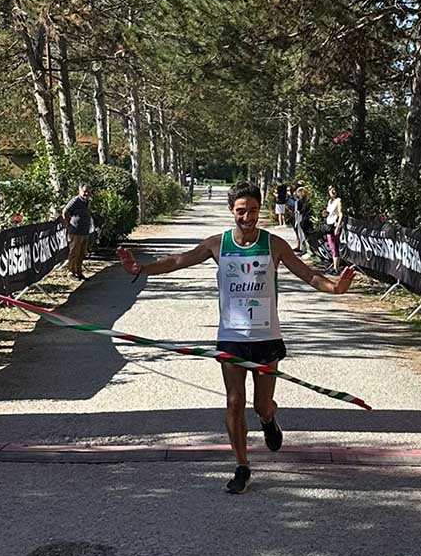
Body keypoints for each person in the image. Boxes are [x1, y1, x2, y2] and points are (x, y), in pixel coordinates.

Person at [118, 181, 355, 494]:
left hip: (266, 337)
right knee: (234, 401)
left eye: (253, 210)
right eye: (241, 211)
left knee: (261, 405)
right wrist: (141, 268)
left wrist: (335, 288)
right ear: (231, 210)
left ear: (259, 209)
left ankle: (269, 420)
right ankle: (242, 466)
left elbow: (308, 274)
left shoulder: (273, 244)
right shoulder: (218, 244)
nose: (248, 217)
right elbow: (177, 261)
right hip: (231, 336)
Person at [62, 183, 92, 280]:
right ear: (80, 191)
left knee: (82, 253)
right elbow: (65, 211)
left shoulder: (87, 202)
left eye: (88, 192)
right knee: (74, 253)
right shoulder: (75, 200)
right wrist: (68, 224)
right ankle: (71, 272)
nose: (86, 194)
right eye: (84, 191)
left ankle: (78, 271)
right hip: (76, 231)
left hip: (85, 231)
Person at [323, 185, 344, 273]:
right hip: (328, 225)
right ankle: (334, 266)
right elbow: (329, 213)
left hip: (334, 226)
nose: (332, 192)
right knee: (331, 246)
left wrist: (338, 226)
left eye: (334, 190)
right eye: (330, 190)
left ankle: (336, 268)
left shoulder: (338, 200)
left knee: (335, 247)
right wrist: (325, 213)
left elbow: (340, 214)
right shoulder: (330, 201)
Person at [293, 185, 313, 254]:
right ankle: (302, 247)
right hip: (304, 219)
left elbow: (298, 211)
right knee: (302, 235)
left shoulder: (299, 202)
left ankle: (303, 248)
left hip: (300, 219)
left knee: (301, 234)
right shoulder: (307, 201)